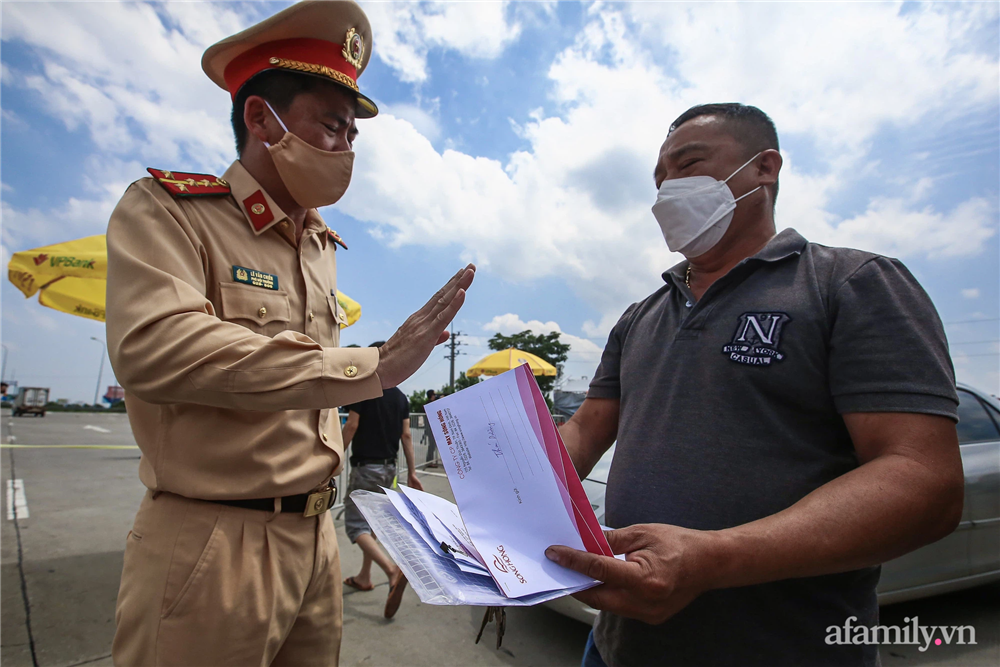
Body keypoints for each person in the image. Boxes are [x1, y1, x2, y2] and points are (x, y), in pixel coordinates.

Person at [105, 1, 475, 665]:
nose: (346, 148)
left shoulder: (321, 247)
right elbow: (157, 349)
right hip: (214, 536)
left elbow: (302, 382)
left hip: (314, 535)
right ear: (261, 118)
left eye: (353, 135)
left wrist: (351, 399)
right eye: (332, 126)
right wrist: (372, 365)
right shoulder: (171, 211)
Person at [547, 103, 963, 667]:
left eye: (688, 164)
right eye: (659, 178)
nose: (669, 186)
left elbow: (924, 483)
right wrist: (505, 489)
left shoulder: (850, 283)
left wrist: (713, 557)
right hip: (618, 645)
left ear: (764, 168)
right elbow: (585, 429)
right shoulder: (640, 316)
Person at [340, 341, 422, 618]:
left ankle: (390, 571)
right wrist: (411, 472)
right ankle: (364, 576)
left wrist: (330, 459)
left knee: (354, 526)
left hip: (366, 467)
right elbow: (407, 436)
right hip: (390, 470)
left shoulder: (363, 389)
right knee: (371, 523)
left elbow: (351, 425)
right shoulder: (401, 398)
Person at [422, 388, 440, 466]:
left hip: (431, 427)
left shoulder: (429, 403)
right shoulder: (429, 404)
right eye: (434, 395)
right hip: (430, 428)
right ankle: (429, 461)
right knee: (432, 445)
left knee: (433, 445)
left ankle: (430, 461)